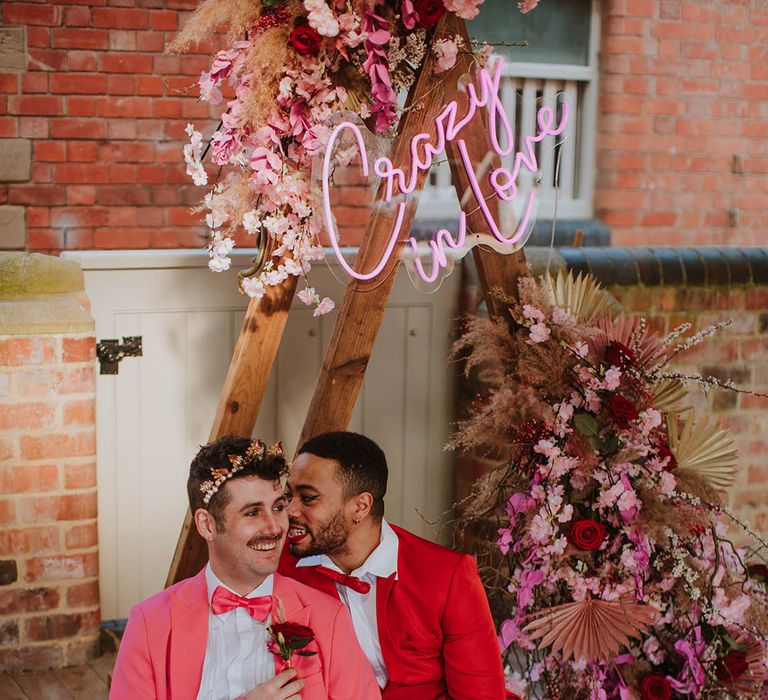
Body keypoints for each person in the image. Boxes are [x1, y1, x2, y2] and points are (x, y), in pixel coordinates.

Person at [111, 435, 381, 700]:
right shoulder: (150, 624)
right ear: (207, 525)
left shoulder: (328, 617)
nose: (275, 527)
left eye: (277, 508)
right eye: (252, 513)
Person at [279, 431, 506, 700]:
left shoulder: (447, 576)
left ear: (360, 507)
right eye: (288, 496)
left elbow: (480, 695)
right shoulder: (279, 569)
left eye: (308, 498)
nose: (289, 511)